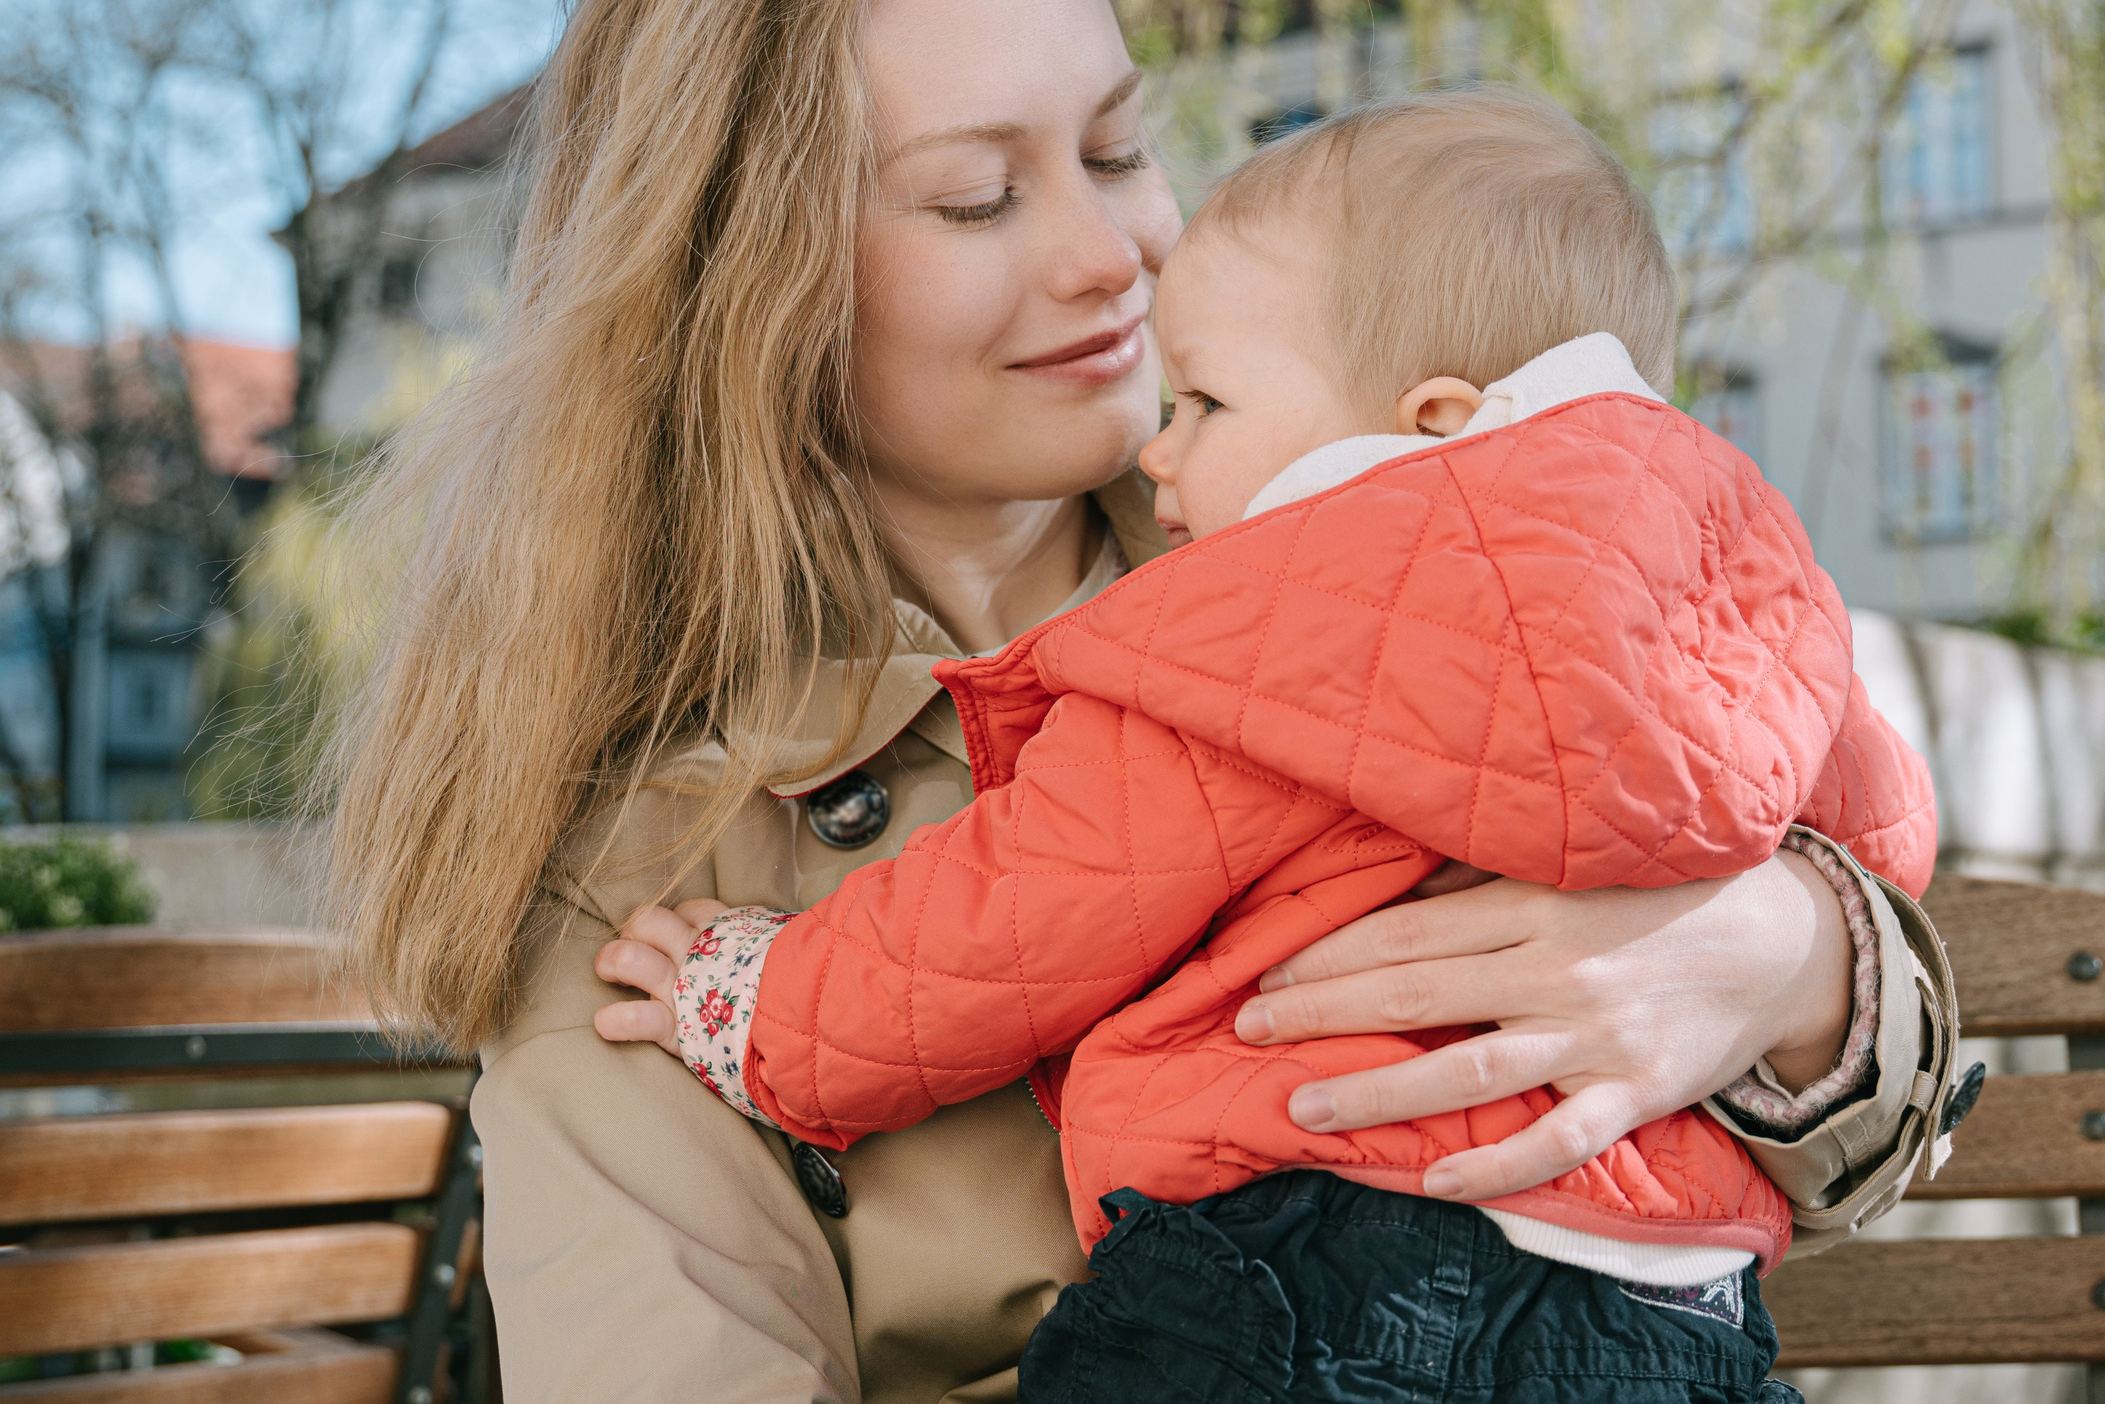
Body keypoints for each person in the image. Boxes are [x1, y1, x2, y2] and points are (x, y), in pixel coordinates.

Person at [322, 0, 1957, 1404]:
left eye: (1118, 147)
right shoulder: (643, 873)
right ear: (752, 286)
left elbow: (1864, 1033)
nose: (1117, 253)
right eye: (980, 195)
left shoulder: (1379, 551)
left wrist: (1790, 960)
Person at [592, 88, 1948, 1404]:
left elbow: (1007, 920)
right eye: (977, 196)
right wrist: (1799, 925)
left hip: (1321, 1276)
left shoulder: (1252, 628)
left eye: (1208, 408)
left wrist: (758, 1007)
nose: (1163, 454)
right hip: (1675, 1308)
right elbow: (1881, 825)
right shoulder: (1747, 573)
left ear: (1428, 432)